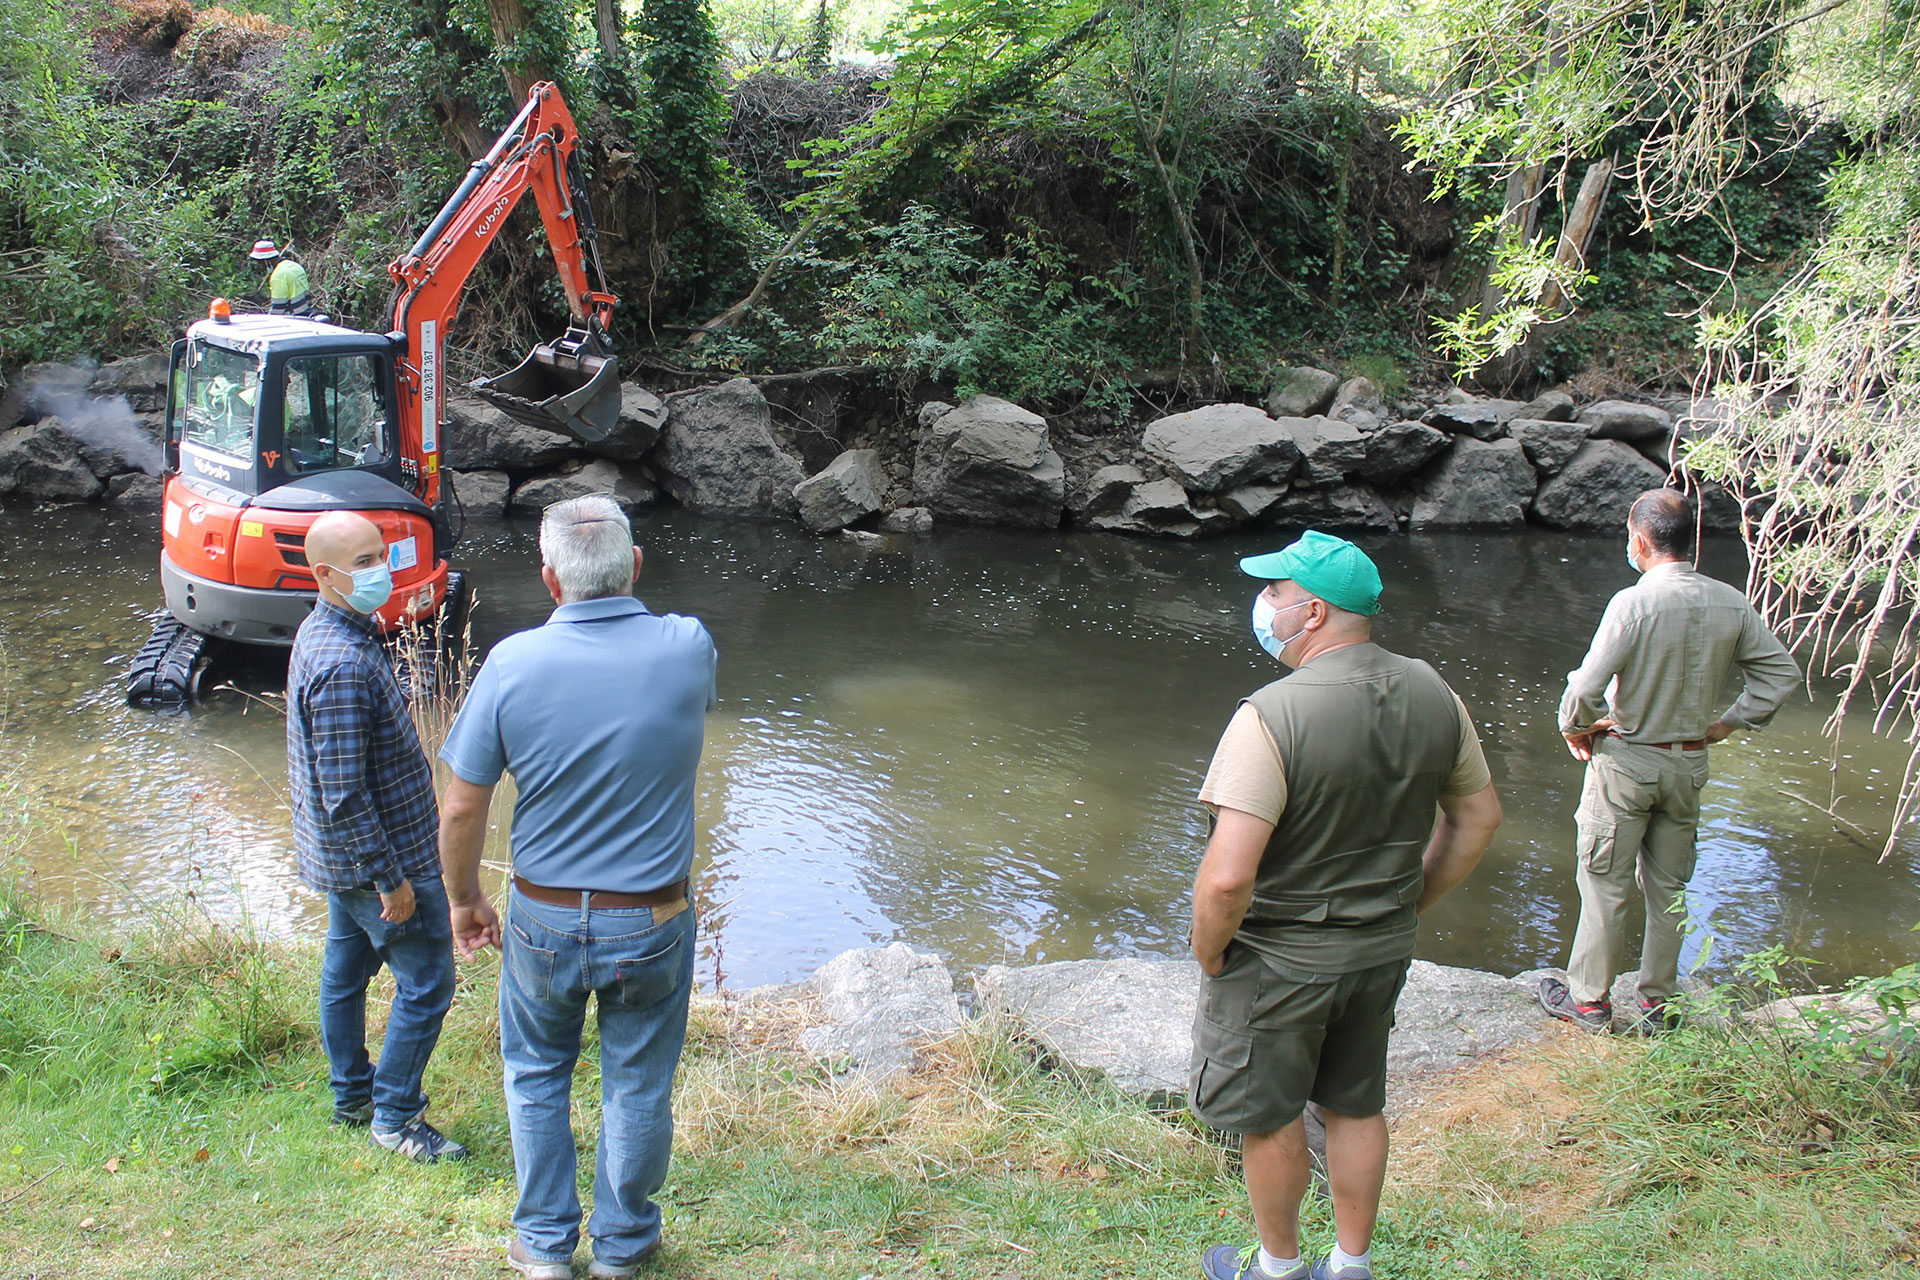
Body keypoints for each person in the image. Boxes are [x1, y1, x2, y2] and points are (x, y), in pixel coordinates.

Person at [1190, 530, 1504, 1280]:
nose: (1262, 603)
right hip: (1379, 951)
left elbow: (1228, 879)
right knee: (1356, 1104)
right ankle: (1351, 1265)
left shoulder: (1270, 714)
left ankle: (1277, 1268)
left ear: (1314, 612)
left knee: (1269, 1115)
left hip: (1278, 962)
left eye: (1274, 592)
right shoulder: (1434, 692)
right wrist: (1409, 903)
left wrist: (1209, 949)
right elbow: (1478, 818)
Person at [437, 494, 718, 1280]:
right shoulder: (688, 647)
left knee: (535, 1073)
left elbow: (461, 804)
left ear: (549, 580)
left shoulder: (511, 664)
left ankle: (544, 1246)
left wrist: (463, 899)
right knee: (638, 1081)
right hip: (653, 916)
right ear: (635, 566)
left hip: (544, 915)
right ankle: (623, 1247)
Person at [1542, 488, 1801, 1033]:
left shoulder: (1632, 604)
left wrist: (1577, 727)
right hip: (1688, 766)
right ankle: (1659, 1002)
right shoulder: (1730, 601)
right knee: (1670, 889)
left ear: (1639, 541)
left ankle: (1589, 1001)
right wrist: (1727, 723)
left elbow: (1584, 689)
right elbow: (1780, 675)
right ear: (1690, 540)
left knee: (1605, 881)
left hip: (1625, 765)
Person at [286, 510, 466, 1162]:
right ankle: (395, 1117)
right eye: (362, 563)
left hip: (342, 862)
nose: (380, 571)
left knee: (345, 971)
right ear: (324, 574)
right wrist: (391, 880)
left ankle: (352, 1095)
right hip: (382, 862)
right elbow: (343, 793)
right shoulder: (341, 664)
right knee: (428, 984)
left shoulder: (329, 630)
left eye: (381, 555)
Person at [250, 239, 315, 316]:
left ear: (265, 260)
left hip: (294, 317)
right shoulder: (295, 266)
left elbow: (278, 309)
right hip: (307, 312)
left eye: (260, 263)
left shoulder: (278, 275)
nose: (261, 266)